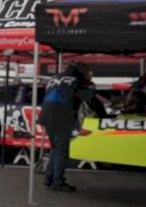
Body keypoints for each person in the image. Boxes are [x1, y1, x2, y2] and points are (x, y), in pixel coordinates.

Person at [38, 62, 107, 192]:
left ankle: (49, 178)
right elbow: (89, 98)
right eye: (88, 74)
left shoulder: (55, 78)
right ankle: (58, 182)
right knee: (62, 150)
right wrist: (103, 115)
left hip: (46, 116)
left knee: (55, 148)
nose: (90, 76)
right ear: (82, 72)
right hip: (62, 117)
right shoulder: (75, 81)